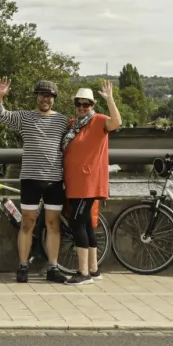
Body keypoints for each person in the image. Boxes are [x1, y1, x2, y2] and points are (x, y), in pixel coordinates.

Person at [0, 78, 68, 284]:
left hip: (54, 179)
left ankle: (53, 267)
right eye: (42, 95)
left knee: (53, 224)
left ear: (54, 99)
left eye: (49, 96)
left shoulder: (62, 121)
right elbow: (0, 115)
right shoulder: (25, 117)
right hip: (30, 178)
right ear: (37, 97)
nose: (45, 99)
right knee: (28, 223)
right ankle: (23, 265)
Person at [62, 81, 122, 286]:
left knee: (77, 223)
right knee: (86, 224)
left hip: (87, 182)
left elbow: (116, 122)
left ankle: (83, 272)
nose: (81, 107)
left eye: (86, 104)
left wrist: (110, 99)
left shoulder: (98, 121)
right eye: (78, 104)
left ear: (92, 105)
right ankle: (94, 270)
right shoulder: (73, 124)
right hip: (75, 181)